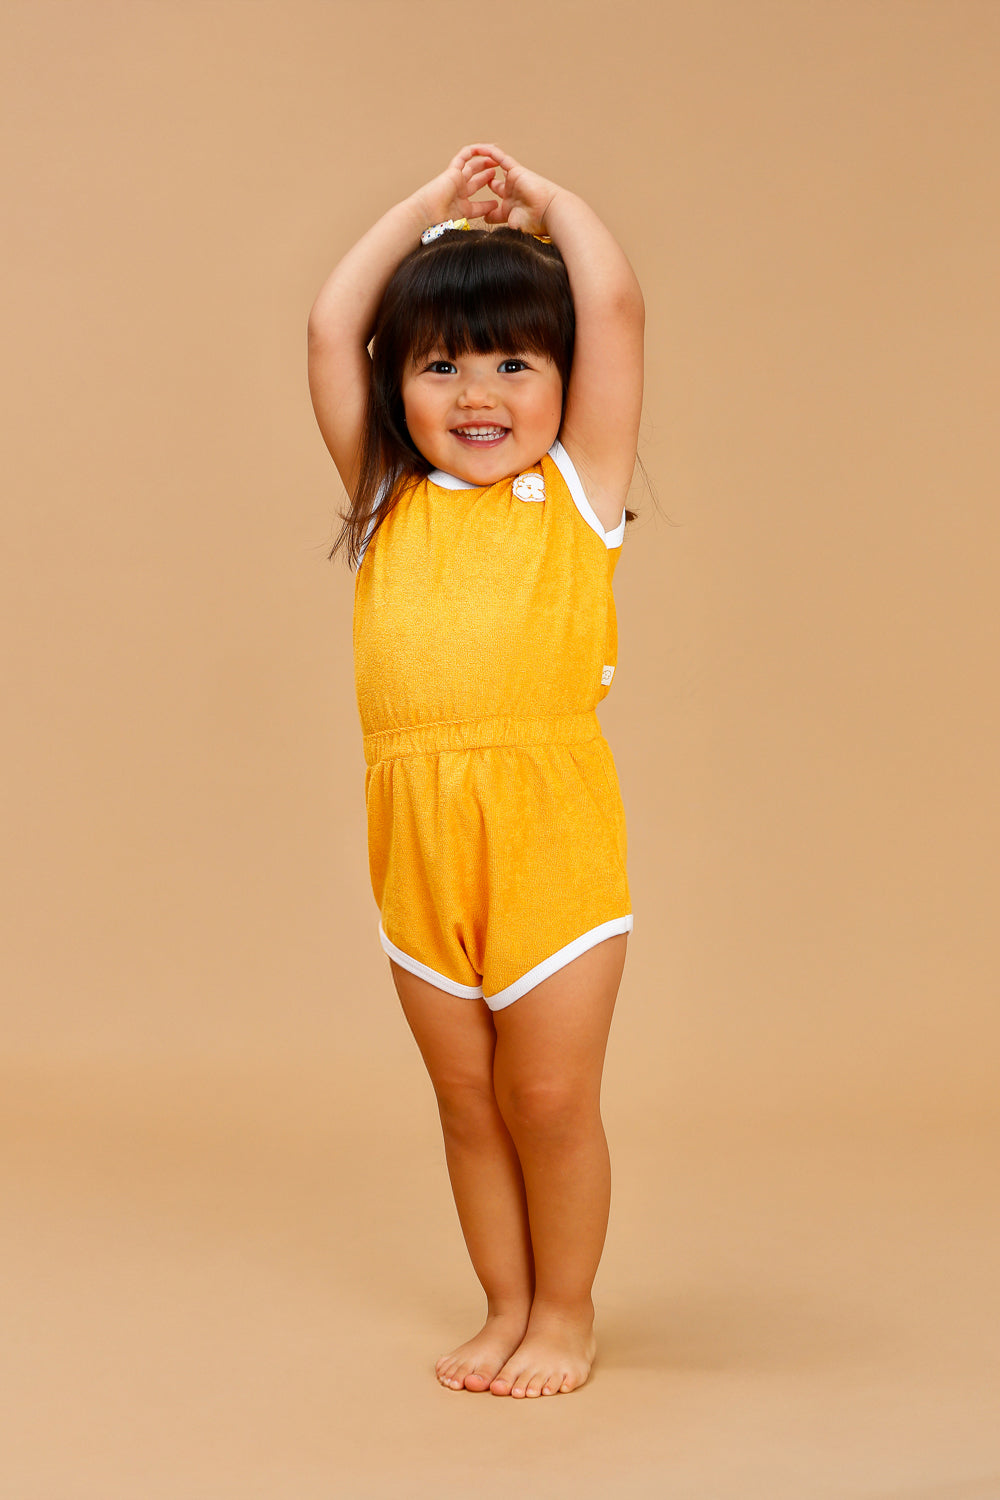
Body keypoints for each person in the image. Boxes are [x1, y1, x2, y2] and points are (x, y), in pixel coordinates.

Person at [307, 144, 644, 1398]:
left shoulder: (577, 492)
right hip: (419, 846)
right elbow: (329, 324)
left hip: (550, 839)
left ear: (564, 381)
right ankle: (504, 1305)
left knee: (546, 1095)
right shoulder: (386, 498)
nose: (477, 391)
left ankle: (565, 1313)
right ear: (396, 386)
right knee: (466, 1098)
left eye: (513, 361)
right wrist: (427, 208)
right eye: (440, 364)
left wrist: (548, 203)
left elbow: (614, 307)